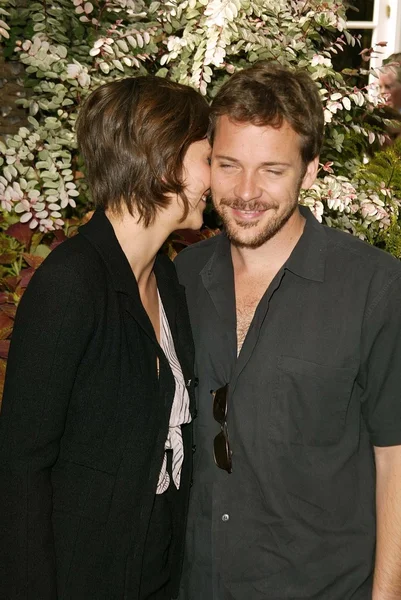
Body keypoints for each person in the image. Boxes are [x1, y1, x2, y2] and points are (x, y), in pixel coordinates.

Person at [175, 61, 401, 599]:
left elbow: (396, 458)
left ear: (312, 170)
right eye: (228, 165)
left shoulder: (376, 288)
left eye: (272, 170)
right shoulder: (180, 278)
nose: (246, 192)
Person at [0, 75, 210, 599]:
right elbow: (21, 468)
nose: (216, 178)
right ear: (167, 162)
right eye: (209, 159)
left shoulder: (167, 281)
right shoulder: (71, 284)